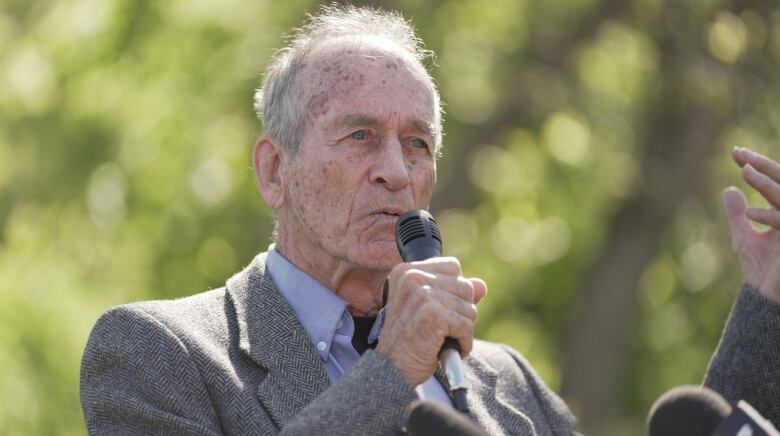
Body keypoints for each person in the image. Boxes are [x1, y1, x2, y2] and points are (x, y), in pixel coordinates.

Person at [79, 5, 780, 435]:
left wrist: (767, 303)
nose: (395, 169)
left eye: (416, 144)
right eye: (360, 136)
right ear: (273, 171)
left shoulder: (508, 383)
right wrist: (391, 372)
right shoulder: (160, 353)